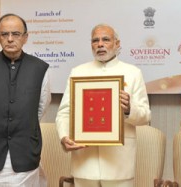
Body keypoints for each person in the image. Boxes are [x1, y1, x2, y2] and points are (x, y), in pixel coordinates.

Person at [56, 24, 151, 187]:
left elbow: (145, 116)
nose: (100, 44)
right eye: (95, 40)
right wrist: (64, 136)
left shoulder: (133, 72)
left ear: (117, 43)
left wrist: (129, 109)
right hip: (84, 162)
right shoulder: (78, 72)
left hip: (119, 165)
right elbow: (65, 112)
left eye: (105, 39)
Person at [0, 13, 51, 187]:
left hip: (23, 156)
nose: (10, 39)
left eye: (16, 34)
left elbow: (40, 108)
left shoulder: (40, 68)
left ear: (25, 37)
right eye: (4, 34)